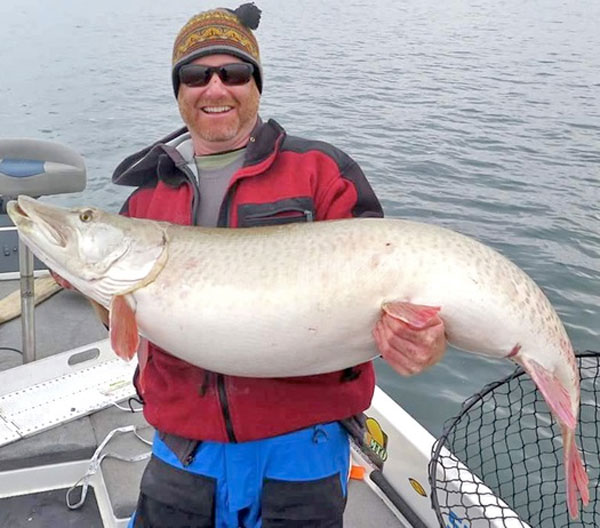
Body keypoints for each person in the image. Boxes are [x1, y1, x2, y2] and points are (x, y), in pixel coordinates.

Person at [93, 3, 446, 527]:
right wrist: (92, 286)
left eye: (232, 73)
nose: (215, 89)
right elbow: (124, 321)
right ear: (178, 89)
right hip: (183, 447)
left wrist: (422, 339)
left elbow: (397, 285)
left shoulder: (321, 173)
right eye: (196, 75)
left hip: (304, 448)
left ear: (255, 84)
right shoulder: (146, 199)